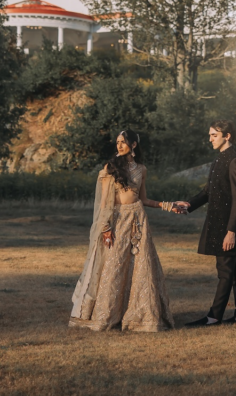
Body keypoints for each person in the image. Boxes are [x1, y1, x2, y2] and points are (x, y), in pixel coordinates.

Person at [69, 129, 176, 332]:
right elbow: (103, 204)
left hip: (137, 219)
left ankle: (141, 316)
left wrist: (168, 205)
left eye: (123, 142)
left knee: (141, 266)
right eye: (117, 142)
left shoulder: (141, 170)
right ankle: (107, 315)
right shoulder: (110, 168)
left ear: (134, 145)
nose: (119, 145)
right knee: (114, 265)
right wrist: (106, 228)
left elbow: (143, 200)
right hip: (117, 220)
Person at [173, 120, 236, 326]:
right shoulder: (218, 160)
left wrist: (232, 231)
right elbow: (208, 192)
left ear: (227, 136)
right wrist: (188, 205)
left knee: (225, 272)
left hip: (227, 226)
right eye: (209, 135)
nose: (210, 139)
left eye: (214, 135)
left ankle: (213, 316)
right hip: (216, 223)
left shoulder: (235, 161)